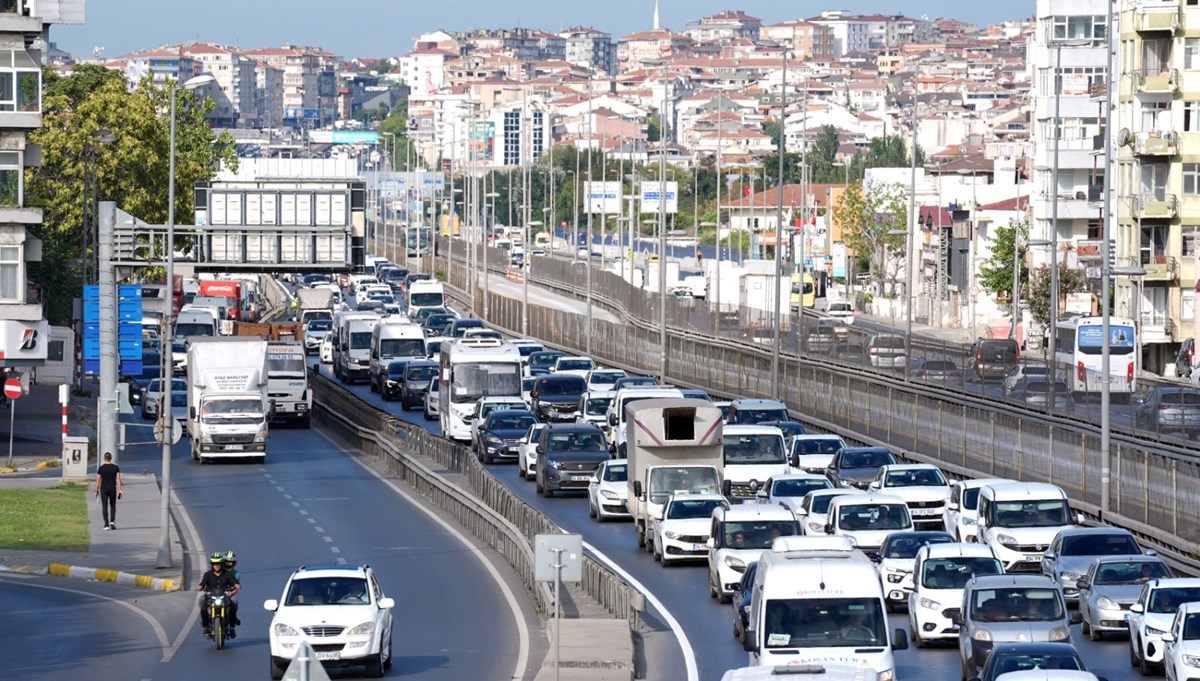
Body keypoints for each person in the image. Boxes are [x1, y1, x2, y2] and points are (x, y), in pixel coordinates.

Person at [196, 552, 240, 639]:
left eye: (218, 564)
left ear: (221, 564)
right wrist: (200, 587)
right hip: (211, 596)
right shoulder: (207, 574)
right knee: (204, 608)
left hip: (224, 596)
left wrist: (236, 586)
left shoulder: (228, 574)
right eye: (214, 564)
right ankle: (206, 627)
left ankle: (231, 628)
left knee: (232, 607)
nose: (216, 566)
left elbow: (234, 582)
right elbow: (202, 583)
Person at [94, 452, 123, 530]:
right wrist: (120, 490)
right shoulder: (115, 468)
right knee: (113, 505)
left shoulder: (101, 468)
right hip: (112, 488)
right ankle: (112, 522)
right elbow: (118, 479)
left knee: (105, 506)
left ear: (104, 458)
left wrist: (96, 490)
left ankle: (106, 524)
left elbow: (98, 481)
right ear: (111, 458)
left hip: (104, 489)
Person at [222, 550, 242, 627]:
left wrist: (231, 593)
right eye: (227, 561)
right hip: (217, 592)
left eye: (231, 562)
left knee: (234, 601)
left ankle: (233, 621)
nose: (228, 563)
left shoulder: (236, 574)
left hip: (229, 593)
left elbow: (236, 588)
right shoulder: (218, 570)